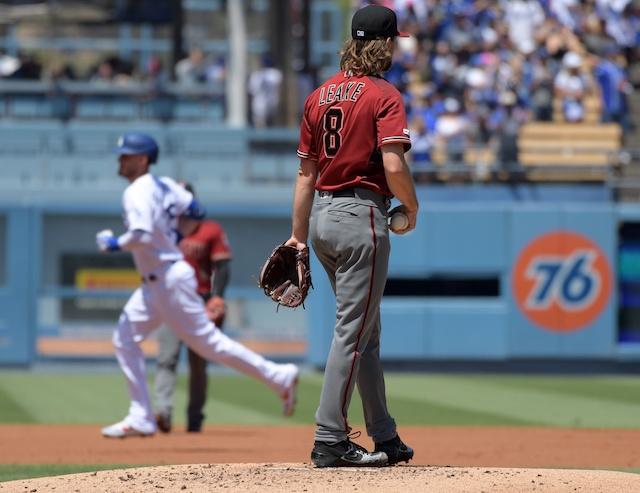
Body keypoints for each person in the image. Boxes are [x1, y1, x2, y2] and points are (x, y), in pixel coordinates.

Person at [96, 132, 299, 438]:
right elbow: (196, 211)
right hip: (157, 283)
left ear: (141, 159)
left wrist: (113, 244)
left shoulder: (136, 191)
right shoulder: (164, 185)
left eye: (124, 155)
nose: (119, 160)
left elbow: (141, 234)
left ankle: (278, 375)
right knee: (124, 339)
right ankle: (140, 416)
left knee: (208, 344)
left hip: (167, 279)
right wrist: (175, 235)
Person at [285, 5, 418, 468]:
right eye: (393, 40)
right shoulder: (384, 94)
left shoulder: (319, 95)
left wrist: (298, 239)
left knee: (366, 331)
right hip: (361, 215)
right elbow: (394, 164)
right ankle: (329, 438)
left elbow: (305, 174)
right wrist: (413, 206)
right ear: (384, 45)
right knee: (353, 332)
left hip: (321, 217)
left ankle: (385, 434)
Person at [154, 182, 233, 433]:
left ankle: (195, 417)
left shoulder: (209, 229)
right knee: (166, 358)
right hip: (170, 302)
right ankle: (163, 412)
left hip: (201, 301)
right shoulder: (163, 230)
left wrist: (217, 297)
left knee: (198, 364)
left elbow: (222, 266)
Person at [247, 54, 283, 128]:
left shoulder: (256, 75)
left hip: (258, 107)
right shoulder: (277, 74)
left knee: (260, 130)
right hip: (273, 105)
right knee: (272, 129)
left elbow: (251, 92)